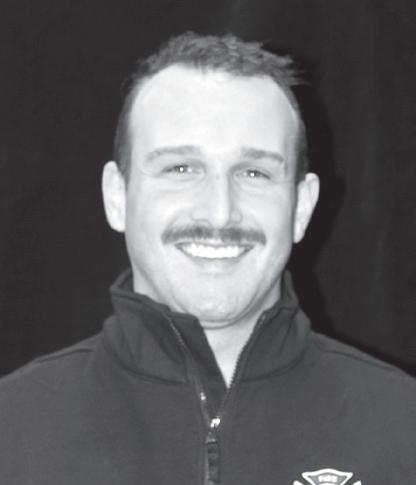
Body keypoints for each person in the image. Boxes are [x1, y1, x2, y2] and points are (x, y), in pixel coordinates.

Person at [0, 32, 415, 485]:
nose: (219, 212)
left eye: (254, 172)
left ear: (302, 207)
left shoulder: (402, 425)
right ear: (117, 197)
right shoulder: (12, 429)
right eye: (180, 169)